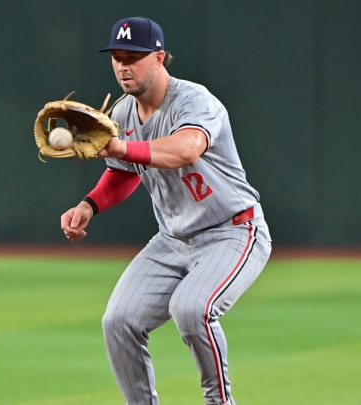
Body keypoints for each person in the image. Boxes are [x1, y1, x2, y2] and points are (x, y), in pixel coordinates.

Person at [60, 16, 272, 405]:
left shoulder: (195, 101)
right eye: (117, 57)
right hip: (174, 240)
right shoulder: (123, 115)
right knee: (119, 322)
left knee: (192, 309)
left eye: (134, 57)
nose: (123, 66)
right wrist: (89, 205)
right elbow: (123, 173)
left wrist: (122, 148)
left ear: (159, 58)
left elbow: (185, 149)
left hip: (233, 230)